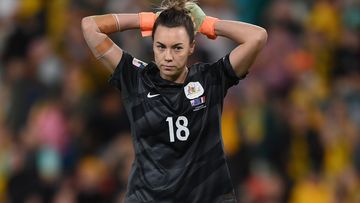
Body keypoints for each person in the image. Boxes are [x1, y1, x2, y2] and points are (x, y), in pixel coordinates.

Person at [81, 0, 267, 202]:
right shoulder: (136, 78)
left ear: (191, 47)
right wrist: (148, 20)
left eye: (177, 48)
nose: (167, 56)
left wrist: (207, 24)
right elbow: (90, 26)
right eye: (161, 46)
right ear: (153, 44)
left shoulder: (210, 79)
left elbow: (257, 37)